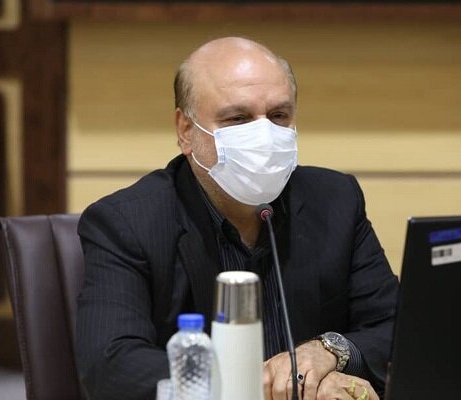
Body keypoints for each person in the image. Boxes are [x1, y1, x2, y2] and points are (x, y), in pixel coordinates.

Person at [75, 37, 398, 400]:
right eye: (238, 119)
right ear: (185, 130)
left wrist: (328, 352)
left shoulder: (335, 201)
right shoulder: (127, 223)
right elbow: (111, 365)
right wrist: (259, 385)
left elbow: (399, 328)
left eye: (279, 116)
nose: (264, 135)